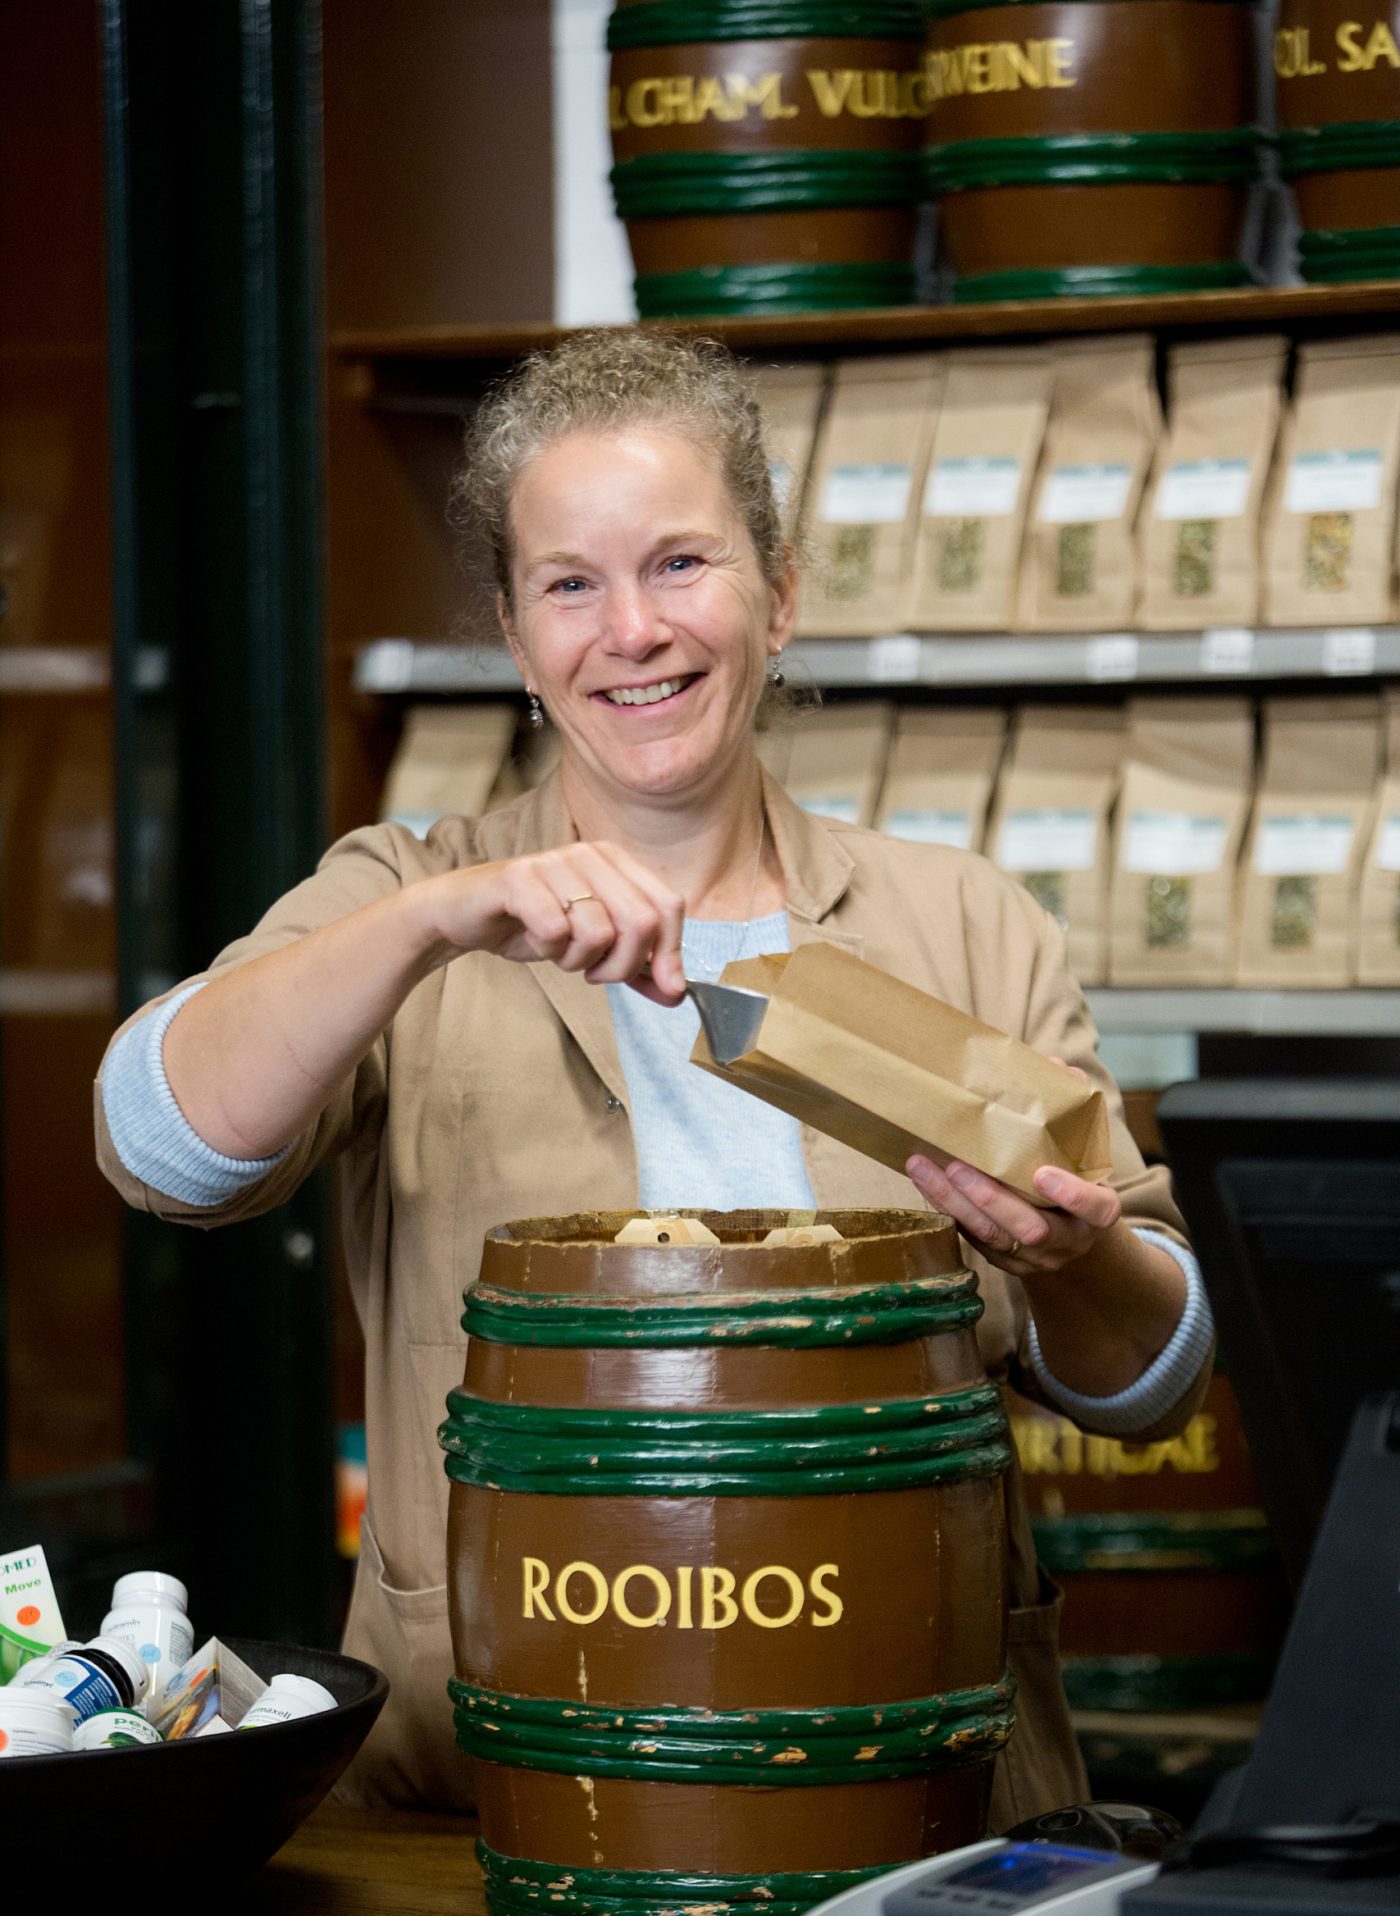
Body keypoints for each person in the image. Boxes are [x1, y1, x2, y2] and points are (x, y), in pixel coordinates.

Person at [95, 329, 1212, 1821]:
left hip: (924, 1774)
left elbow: (1151, 1376)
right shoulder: (406, 899)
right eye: (572, 582)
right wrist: (432, 922)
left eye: (682, 563)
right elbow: (161, 1148)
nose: (634, 630)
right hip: (505, 1777)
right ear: (512, 628)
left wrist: (1076, 1262)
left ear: (781, 588)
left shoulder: (961, 922)